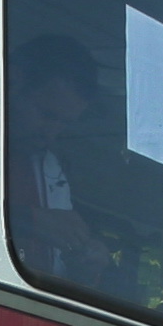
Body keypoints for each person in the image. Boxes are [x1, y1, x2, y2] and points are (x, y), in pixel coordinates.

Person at [7, 34, 120, 294]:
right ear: (13, 82)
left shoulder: (50, 170)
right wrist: (28, 220)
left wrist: (83, 267)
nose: (52, 132)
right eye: (47, 115)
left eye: (64, 123)